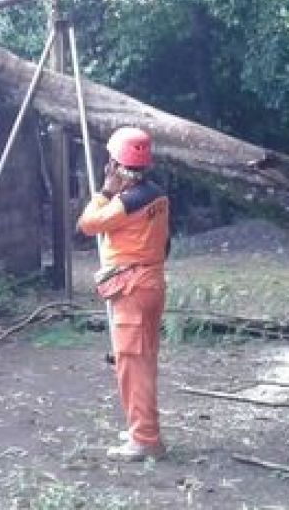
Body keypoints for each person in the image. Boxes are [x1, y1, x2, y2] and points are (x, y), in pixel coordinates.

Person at [77, 127, 170, 461]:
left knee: (133, 365)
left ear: (116, 165)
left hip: (132, 289)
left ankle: (145, 439)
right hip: (152, 284)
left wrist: (103, 192)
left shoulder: (125, 202)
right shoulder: (158, 195)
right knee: (143, 361)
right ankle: (142, 427)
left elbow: (87, 224)